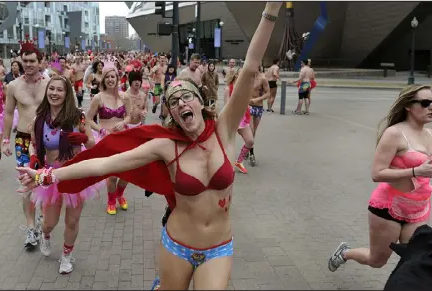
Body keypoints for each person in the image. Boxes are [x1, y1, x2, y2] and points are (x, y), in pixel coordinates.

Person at [16, 3, 282, 289]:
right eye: (173, 101)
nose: (181, 102)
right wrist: (47, 176)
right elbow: (105, 163)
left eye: (186, 96)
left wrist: (272, 7)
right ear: (171, 114)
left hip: (219, 248)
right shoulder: (165, 146)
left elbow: (251, 64)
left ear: (201, 102)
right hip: (177, 246)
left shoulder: (225, 129)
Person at [328, 85, 432, 272]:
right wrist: (415, 171)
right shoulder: (394, 134)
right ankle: (345, 252)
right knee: (377, 260)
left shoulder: (430, 134)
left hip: (419, 208)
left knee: (416, 260)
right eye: (425, 103)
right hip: (389, 208)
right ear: (408, 106)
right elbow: (377, 173)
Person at [28, 76, 98, 274]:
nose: (54, 93)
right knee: (50, 222)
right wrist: (34, 159)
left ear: (67, 94)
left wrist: (84, 138)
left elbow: (92, 144)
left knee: (72, 221)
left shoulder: (78, 117)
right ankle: (45, 234)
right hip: (50, 177)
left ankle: (67, 255)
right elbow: (34, 145)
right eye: (51, 89)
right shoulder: (39, 120)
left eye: (60, 90)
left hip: (75, 175)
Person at [2, 36, 50, 250]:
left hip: (47, 140)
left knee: (47, 184)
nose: (29, 65)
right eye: (25, 61)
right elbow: (8, 113)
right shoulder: (13, 86)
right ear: (20, 61)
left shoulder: (51, 84)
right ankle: (31, 228)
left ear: (40, 61)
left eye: (32, 60)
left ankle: (43, 220)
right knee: (26, 186)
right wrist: (5, 138)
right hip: (22, 140)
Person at [86, 61, 131, 215]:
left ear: (118, 78)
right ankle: (111, 200)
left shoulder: (125, 96)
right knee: (111, 175)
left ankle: (120, 195)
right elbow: (88, 119)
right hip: (106, 140)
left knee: (127, 172)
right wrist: (100, 130)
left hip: (123, 138)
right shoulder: (98, 98)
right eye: (108, 77)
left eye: (113, 76)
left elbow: (130, 116)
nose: (111, 79)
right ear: (103, 79)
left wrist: (124, 122)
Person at [224, 68, 254, 174]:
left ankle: (239, 161)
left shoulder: (245, 88)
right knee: (229, 144)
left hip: (243, 118)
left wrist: (248, 106)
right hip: (232, 118)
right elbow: (227, 106)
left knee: (250, 141)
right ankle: (226, 164)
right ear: (236, 76)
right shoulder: (228, 89)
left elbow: (246, 101)